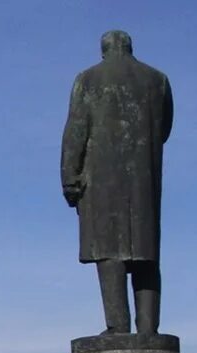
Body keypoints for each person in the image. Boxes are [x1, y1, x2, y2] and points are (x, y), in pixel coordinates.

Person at [61, 30, 174, 335]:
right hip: (144, 184)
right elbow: (163, 130)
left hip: (100, 182)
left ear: (103, 51)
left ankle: (118, 326)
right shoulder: (158, 80)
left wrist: (70, 180)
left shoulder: (88, 80)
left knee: (109, 253)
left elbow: (76, 131)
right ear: (130, 48)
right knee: (146, 256)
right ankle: (149, 329)